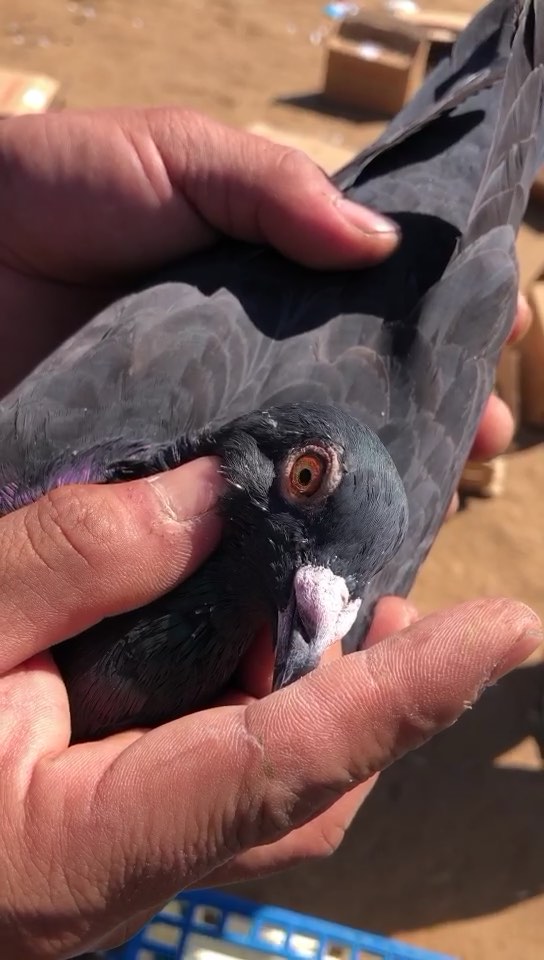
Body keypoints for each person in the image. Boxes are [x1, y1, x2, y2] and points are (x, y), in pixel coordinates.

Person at [0, 107, 540, 959]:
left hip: (336, 277)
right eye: (306, 478)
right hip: (336, 280)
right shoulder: (29, 460)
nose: (316, 620)